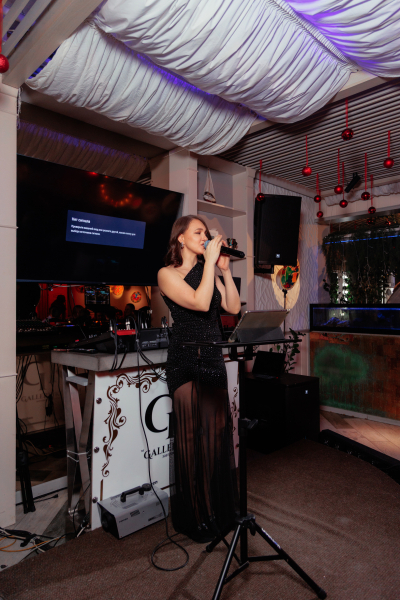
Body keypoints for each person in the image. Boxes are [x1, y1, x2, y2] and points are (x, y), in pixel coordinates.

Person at [157, 215, 241, 543]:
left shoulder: (208, 270)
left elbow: (232, 306)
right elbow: (200, 302)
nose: (204, 236)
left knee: (215, 440)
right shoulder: (167, 274)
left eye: (206, 232)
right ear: (180, 238)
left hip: (212, 358)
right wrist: (209, 264)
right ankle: (195, 515)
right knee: (191, 441)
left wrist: (224, 271)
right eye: (198, 232)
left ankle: (214, 510)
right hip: (185, 362)